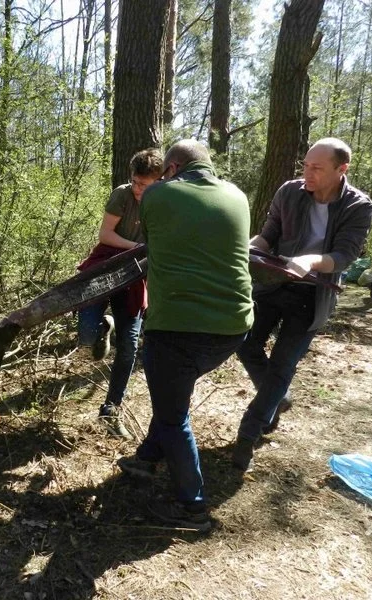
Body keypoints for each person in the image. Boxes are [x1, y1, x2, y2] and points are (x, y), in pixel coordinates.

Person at [116, 139, 253, 531]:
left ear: (171, 168)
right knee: (171, 394)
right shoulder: (237, 196)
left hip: (178, 329)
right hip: (233, 328)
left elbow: (153, 244)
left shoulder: (157, 195)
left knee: (174, 416)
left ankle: (193, 509)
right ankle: (146, 457)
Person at [232, 138, 372, 472]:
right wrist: (242, 250)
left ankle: (248, 434)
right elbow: (268, 235)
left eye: (316, 168)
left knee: (283, 365)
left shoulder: (359, 206)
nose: (307, 174)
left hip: (314, 293)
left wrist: (308, 261)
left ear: (342, 170)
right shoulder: (289, 191)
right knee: (244, 341)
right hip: (274, 282)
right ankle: (276, 399)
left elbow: (345, 255)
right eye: (305, 165)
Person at [76, 149, 163, 439]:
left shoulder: (164, 202)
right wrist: (136, 248)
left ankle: (111, 408)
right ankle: (103, 326)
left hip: (137, 275)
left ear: (158, 181)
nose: (138, 189)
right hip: (106, 264)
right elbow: (106, 235)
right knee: (86, 337)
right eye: (136, 182)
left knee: (129, 346)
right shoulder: (121, 195)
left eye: (145, 185)